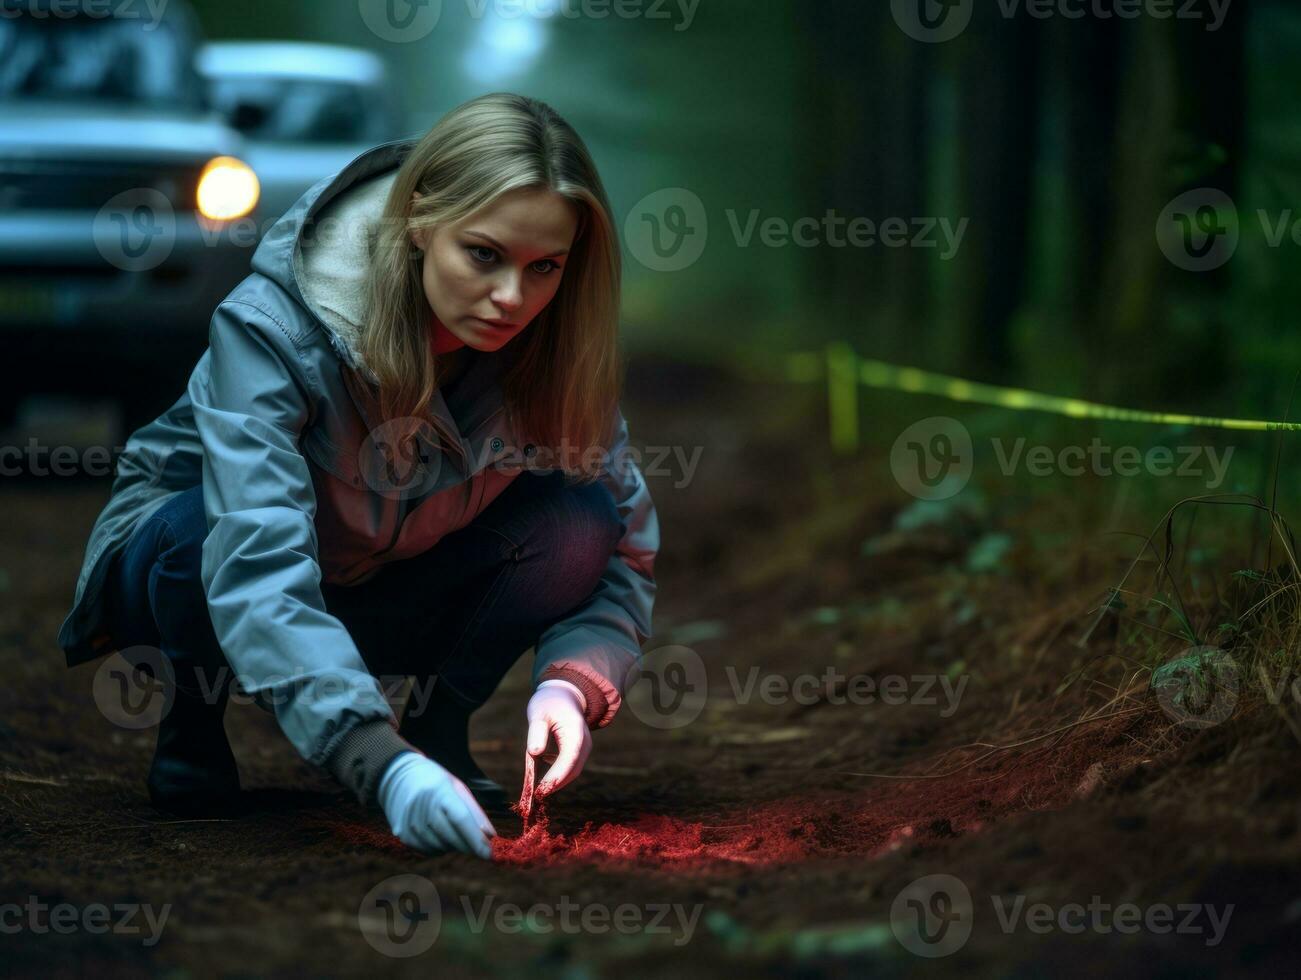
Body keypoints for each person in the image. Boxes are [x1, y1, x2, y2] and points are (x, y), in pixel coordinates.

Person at [55, 93, 660, 861]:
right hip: (209, 582)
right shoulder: (273, 328)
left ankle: (439, 730)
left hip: (390, 578)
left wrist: (569, 685)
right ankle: (193, 727)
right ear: (419, 225)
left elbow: (624, 552)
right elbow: (256, 564)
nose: (513, 297)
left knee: (579, 523)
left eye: (543, 268)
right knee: (194, 529)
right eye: (483, 254)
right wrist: (376, 767)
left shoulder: (552, 352)